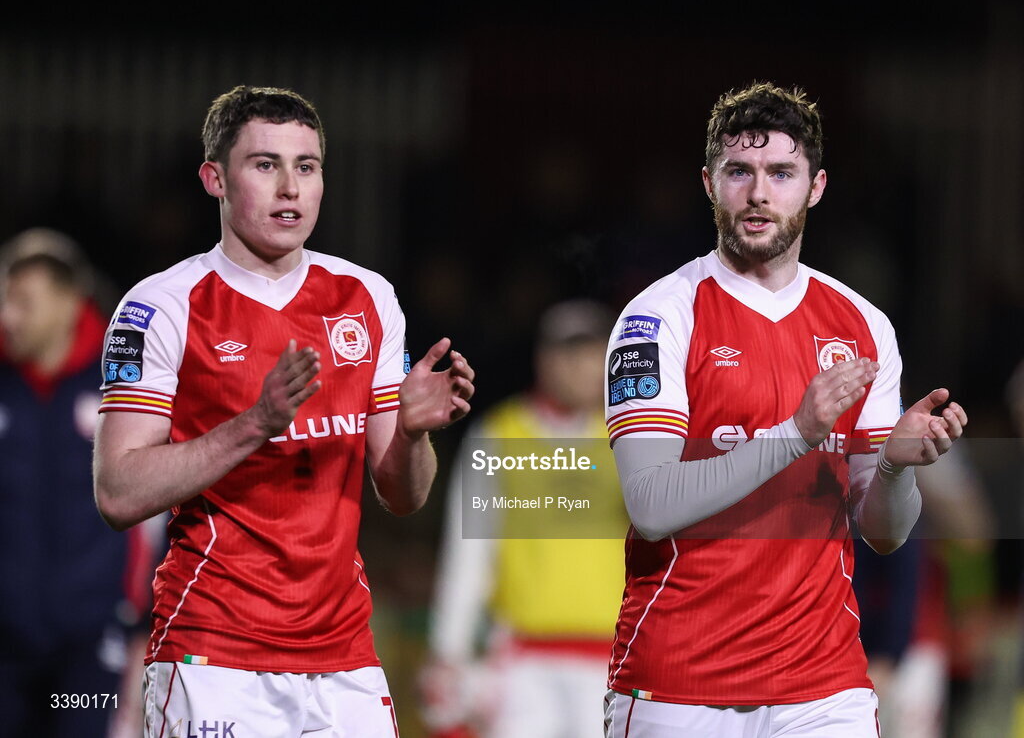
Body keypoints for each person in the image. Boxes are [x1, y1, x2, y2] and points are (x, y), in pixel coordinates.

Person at [92, 85, 475, 737]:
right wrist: (255, 423)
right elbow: (117, 492)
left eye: (307, 166)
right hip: (214, 652)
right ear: (214, 177)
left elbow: (403, 495)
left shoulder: (367, 296)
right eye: (265, 164)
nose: (290, 187)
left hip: (344, 657)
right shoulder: (161, 306)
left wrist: (411, 433)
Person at [602, 81, 968, 737]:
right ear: (710, 183)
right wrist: (796, 433)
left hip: (823, 688)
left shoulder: (863, 324)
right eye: (739, 171)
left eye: (781, 172)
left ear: (816, 186)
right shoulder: (658, 317)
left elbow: (883, 531)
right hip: (680, 681)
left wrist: (893, 468)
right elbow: (651, 506)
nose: (759, 193)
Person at [423, 299, 627, 738]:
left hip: (614, 663)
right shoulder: (499, 434)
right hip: (522, 665)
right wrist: (449, 651)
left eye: (596, 354)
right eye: (571, 354)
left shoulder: (632, 437)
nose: (584, 367)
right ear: (545, 359)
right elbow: (469, 550)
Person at [0, 228, 142, 737]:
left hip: (88, 648)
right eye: (5, 300)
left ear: (66, 302)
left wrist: (142, 619)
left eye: (23, 302)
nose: (8, 316)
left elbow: (152, 512)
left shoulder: (120, 387)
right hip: (6, 653)